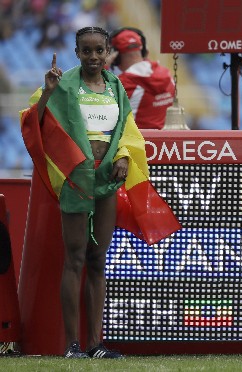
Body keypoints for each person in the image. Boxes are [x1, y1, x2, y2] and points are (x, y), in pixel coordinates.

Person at [19, 26, 180, 358]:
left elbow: (127, 130)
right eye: (86, 51)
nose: (93, 57)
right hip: (77, 179)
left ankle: (95, 344)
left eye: (99, 51)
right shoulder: (62, 85)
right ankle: (71, 346)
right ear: (77, 53)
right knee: (74, 259)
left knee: (97, 260)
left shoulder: (115, 85)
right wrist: (47, 93)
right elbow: (32, 122)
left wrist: (122, 156)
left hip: (106, 179)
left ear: (109, 53)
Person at [106, 27, 175, 129]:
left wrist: (103, 66)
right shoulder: (168, 76)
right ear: (143, 51)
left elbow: (90, 104)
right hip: (163, 143)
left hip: (133, 143)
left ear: (115, 56)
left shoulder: (123, 84)